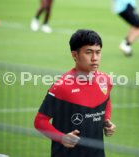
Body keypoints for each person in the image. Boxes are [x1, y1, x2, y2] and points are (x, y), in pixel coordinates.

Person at [34, 29, 116, 157]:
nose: (94, 58)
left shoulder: (105, 80)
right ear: (75, 55)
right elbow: (40, 121)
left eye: (98, 52)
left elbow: (106, 100)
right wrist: (62, 138)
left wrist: (106, 120)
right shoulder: (62, 86)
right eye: (88, 52)